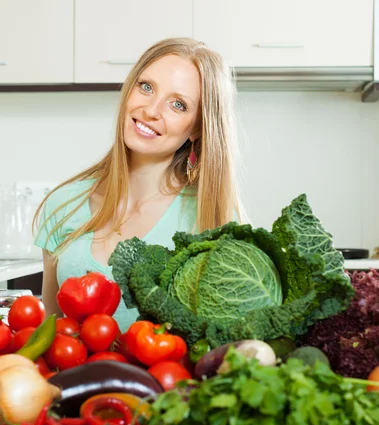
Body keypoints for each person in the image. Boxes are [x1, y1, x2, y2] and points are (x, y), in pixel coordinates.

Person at [33, 37, 246, 333]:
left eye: (178, 104)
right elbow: (53, 334)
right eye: (146, 87)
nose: (151, 110)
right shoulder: (64, 205)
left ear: (197, 128)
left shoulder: (213, 219)